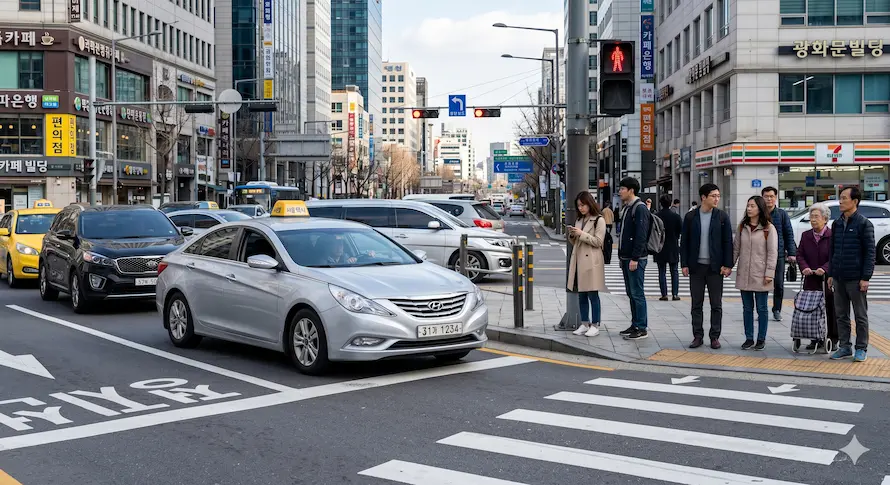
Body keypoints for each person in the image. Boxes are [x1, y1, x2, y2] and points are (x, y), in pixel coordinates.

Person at [680, 183, 734, 349]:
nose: (717, 198)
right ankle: (698, 335)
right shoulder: (690, 217)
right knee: (696, 303)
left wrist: (728, 265)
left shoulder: (722, 217)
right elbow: (685, 242)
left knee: (716, 304)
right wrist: (684, 264)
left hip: (715, 268)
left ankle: (714, 336)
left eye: (718, 196)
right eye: (713, 196)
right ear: (703, 197)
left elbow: (727, 243)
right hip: (696, 267)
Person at [828, 187, 875, 362]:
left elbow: (870, 253)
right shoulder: (837, 223)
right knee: (841, 314)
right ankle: (845, 346)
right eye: (840, 198)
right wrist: (831, 274)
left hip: (856, 278)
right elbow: (832, 251)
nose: (840, 201)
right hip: (839, 277)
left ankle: (861, 348)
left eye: (844, 198)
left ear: (854, 201)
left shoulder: (864, 224)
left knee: (860, 315)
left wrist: (865, 278)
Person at [733, 195, 778, 351]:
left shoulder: (768, 228)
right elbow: (736, 249)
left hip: (761, 273)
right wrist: (728, 266)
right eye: (748, 206)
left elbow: (773, 253)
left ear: (760, 208)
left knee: (762, 308)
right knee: (747, 308)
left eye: (752, 206)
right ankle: (749, 338)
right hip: (744, 273)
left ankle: (761, 338)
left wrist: (769, 273)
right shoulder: (742, 226)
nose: (749, 208)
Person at [567, 191, 607, 337]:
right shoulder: (579, 220)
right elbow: (576, 242)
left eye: (583, 205)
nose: (581, 208)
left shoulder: (599, 220)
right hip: (579, 260)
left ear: (589, 203)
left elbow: (598, 241)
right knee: (581, 294)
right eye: (578, 206)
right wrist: (572, 235)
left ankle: (595, 324)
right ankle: (584, 323)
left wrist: (581, 234)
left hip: (592, 261)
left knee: (592, 293)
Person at [796, 202, 835, 351]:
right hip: (810, 278)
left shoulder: (832, 236)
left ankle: (832, 337)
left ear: (825, 219)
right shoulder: (806, 236)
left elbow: (835, 256)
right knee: (811, 310)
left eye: (816, 216)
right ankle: (814, 338)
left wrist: (824, 268)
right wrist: (804, 267)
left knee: (830, 309)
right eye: (811, 216)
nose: (813, 219)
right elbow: (799, 254)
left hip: (827, 279)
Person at [617, 177, 651, 340]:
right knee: (631, 293)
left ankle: (642, 327)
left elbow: (641, 235)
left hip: (635, 258)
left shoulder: (640, 208)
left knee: (637, 293)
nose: (620, 191)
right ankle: (635, 324)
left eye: (622, 188)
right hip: (626, 257)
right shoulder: (628, 208)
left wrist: (635, 258)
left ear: (631, 190)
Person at [760, 187, 797, 321]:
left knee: (779, 284)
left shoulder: (782, 214)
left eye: (771, 196)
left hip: (779, 254)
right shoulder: (758, 214)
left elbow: (788, 234)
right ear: (762, 198)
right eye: (766, 196)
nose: (769, 199)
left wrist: (792, 253)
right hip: (761, 255)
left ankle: (777, 309)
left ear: (776, 198)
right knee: (761, 285)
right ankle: (761, 310)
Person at [655, 194, 682, 302]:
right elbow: (681, 230)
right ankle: (675, 294)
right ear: (671, 203)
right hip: (673, 246)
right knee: (674, 271)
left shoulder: (657, 216)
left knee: (662, 271)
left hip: (660, 247)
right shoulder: (676, 216)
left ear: (661, 203)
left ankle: (664, 294)